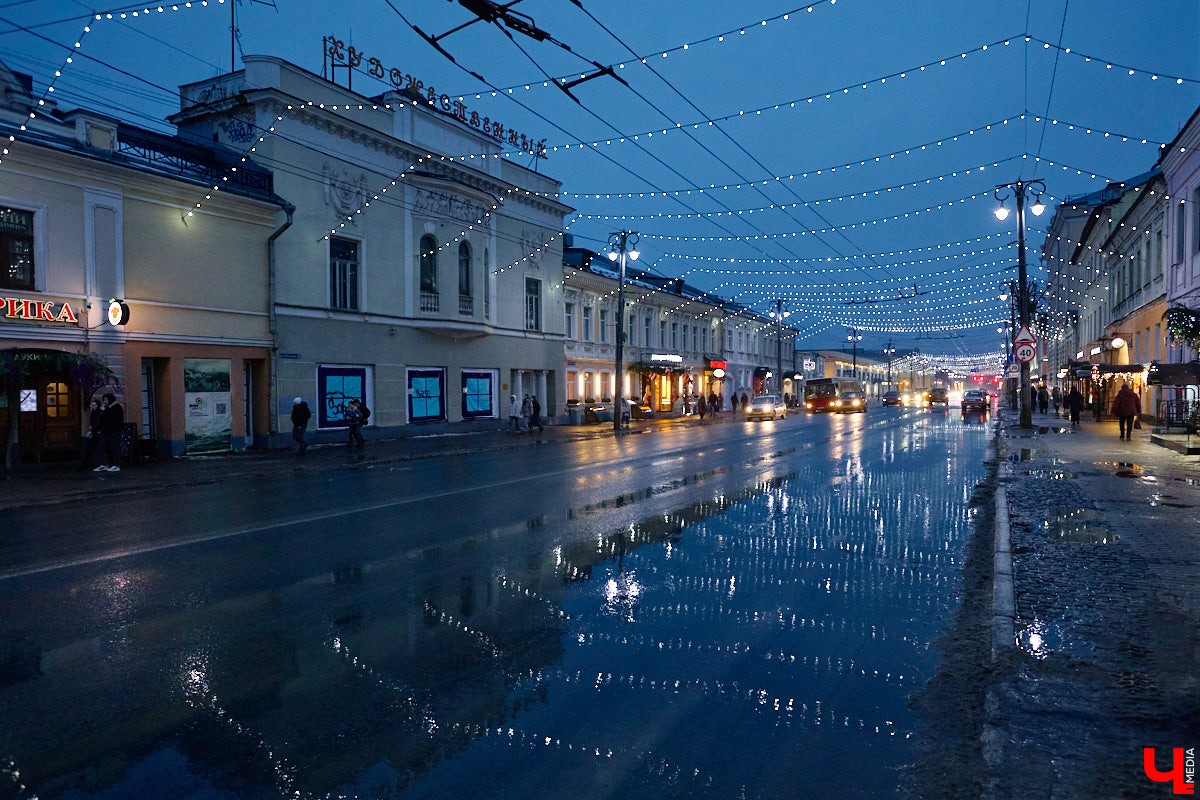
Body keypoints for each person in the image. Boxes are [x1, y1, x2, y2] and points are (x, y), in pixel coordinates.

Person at [94, 392, 124, 472]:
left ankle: (116, 465)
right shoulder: (108, 408)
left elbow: (114, 419)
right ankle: (105, 464)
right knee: (103, 448)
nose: (105, 401)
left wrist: (105, 411)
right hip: (106, 432)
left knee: (114, 448)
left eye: (106, 400)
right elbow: (102, 419)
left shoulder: (117, 408)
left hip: (114, 432)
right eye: (104, 400)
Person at [78, 398, 103, 471]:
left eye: (94, 405)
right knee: (90, 449)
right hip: (94, 433)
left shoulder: (100, 413)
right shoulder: (93, 413)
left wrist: (99, 430)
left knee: (95, 449)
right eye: (91, 405)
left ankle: (95, 464)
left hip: (98, 433)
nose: (92, 406)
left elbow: (100, 423)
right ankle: (87, 464)